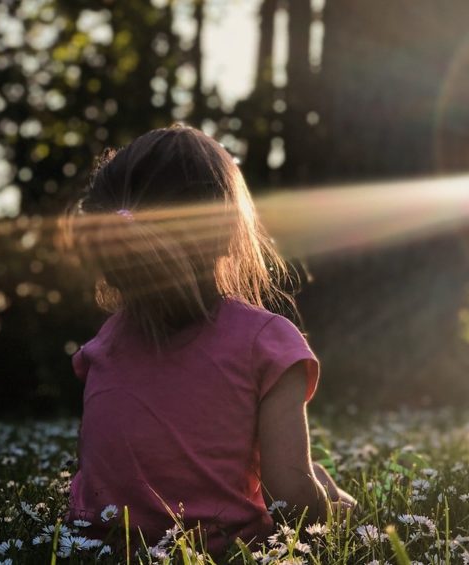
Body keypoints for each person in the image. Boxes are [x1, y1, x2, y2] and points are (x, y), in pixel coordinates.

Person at [62, 125, 355, 556]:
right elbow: (290, 501)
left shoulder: (104, 345)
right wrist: (336, 510)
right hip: (222, 553)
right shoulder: (266, 343)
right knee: (318, 485)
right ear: (224, 232)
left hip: (97, 551)